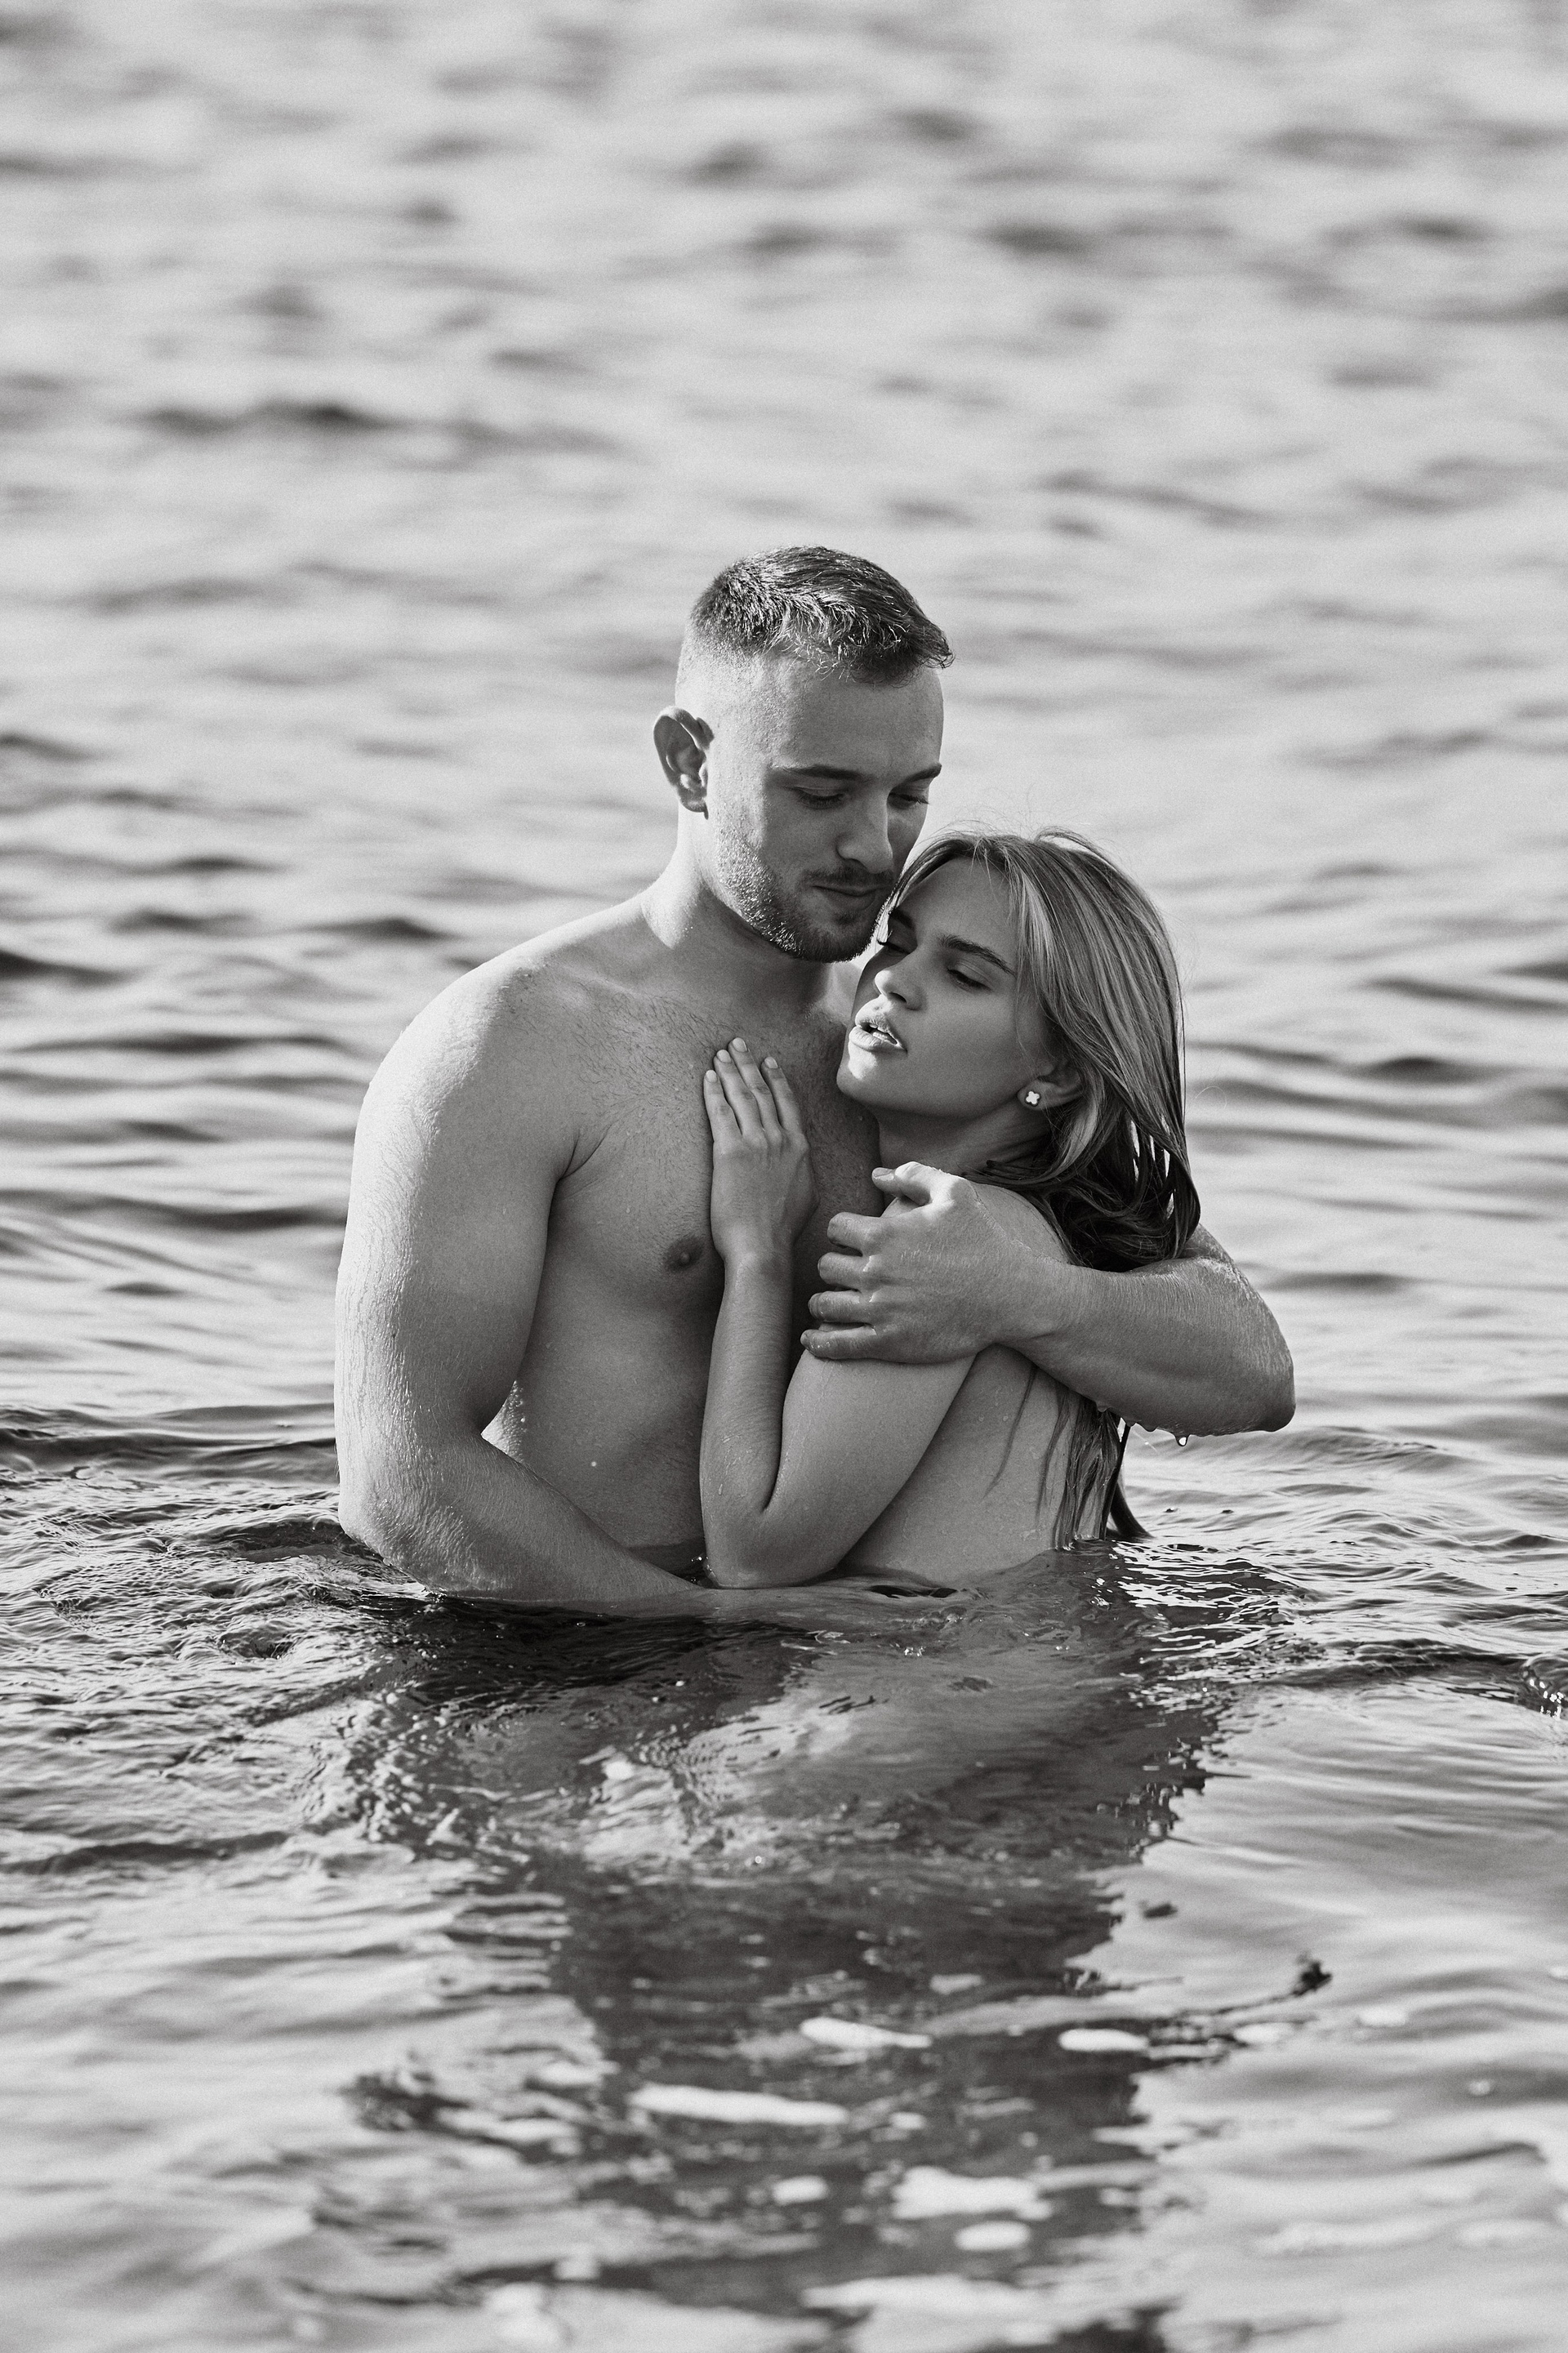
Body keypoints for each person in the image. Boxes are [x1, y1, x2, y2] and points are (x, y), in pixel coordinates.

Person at [335, 547, 1292, 1617]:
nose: (874, 845)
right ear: (690, 763)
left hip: (848, 1660)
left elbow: (1249, 1368)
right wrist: (708, 1623)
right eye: (824, 792)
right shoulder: (509, 1048)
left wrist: (1022, 1294)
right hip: (574, 1656)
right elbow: (399, 1474)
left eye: (910, 795)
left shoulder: (915, 1054)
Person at [699, 828, 1201, 1585]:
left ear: (1058, 1072)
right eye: (896, 941)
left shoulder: (945, 1242)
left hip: (939, 1661)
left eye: (965, 975)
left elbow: (753, 1553)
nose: (894, 980)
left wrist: (756, 1250)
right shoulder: (1046, 1223)